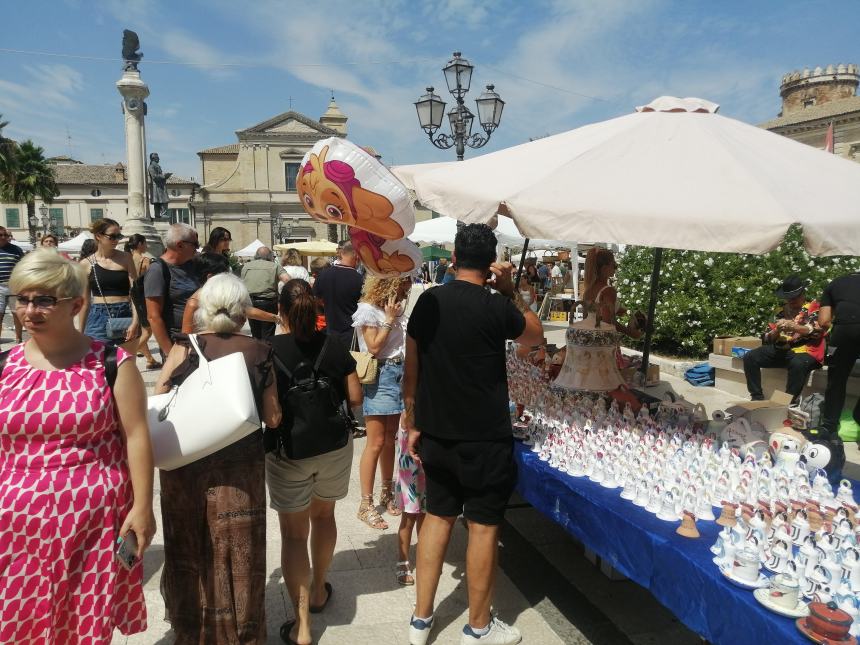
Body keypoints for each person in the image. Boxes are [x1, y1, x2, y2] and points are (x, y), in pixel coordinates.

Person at [0, 250, 156, 642]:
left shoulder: (111, 362)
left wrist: (142, 508)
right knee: (22, 618)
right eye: (22, 299)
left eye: (44, 300)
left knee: (86, 620)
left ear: (76, 303)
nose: (30, 310)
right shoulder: (5, 366)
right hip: (16, 524)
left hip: (92, 520)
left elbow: (136, 436)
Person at [404, 223, 543, 645]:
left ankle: (421, 618)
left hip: (437, 431)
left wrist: (412, 422)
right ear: (490, 263)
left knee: (437, 518)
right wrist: (511, 291)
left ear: (453, 258)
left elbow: (412, 368)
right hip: (484, 435)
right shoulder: (494, 304)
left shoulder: (428, 301)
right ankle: (478, 628)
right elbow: (534, 336)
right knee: (483, 527)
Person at [154, 273, 281, 644]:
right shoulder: (260, 351)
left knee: (189, 544)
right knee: (238, 551)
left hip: (184, 468)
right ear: (244, 310)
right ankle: (241, 630)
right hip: (239, 473)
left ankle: (192, 628)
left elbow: (161, 393)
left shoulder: (186, 344)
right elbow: (273, 418)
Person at [267, 278, 362, 645]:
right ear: (316, 306)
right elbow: (354, 398)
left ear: (280, 310)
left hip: (290, 451)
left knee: (293, 534)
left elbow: (271, 416)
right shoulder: (335, 345)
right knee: (324, 517)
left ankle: (302, 625)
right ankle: (320, 589)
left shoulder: (268, 350)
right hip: (335, 447)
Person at [353, 276, 411, 530]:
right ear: (389, 283)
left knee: (391, 440)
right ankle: (366, 504)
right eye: (404, 283)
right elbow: (374, 347)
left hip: (398, 374)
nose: (408, 287)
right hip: (381, 374)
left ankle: (386, 491)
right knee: (375, 442)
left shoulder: (394, 307)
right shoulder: (368, 310)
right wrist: (388, 320)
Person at [743, 275, 824, 403]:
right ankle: (756, 397)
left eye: (795, 296)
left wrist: (794, 326)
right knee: (750, 357)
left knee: (797, 363)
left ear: (803, 293)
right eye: (788, 297)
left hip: (807, 353)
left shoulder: (814, 307)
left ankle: (787, 403)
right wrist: (777, 331)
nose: (791, 300)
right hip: (783, 351)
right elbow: (766, 338)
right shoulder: (779, 311)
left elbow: (816, 331)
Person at [79, 218, 140, 352]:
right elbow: (85, 302)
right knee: (97, 362)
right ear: (98, 236)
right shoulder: (86, 264)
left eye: (119, 236)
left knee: (126, 363)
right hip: (98, 316)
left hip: (125, 313)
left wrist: (135, 321)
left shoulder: (126, 258)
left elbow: (136, 293)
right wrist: (80, 332)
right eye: (112, 236)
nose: (116, 240)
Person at [182, 252, 280, 334]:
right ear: (210, 277)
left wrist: (276, 318)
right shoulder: (193, 304)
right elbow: (186, 339)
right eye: (226, 274)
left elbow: (248, 311)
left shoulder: (225, 295)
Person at [814, 271, 860, 439]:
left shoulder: (835, 283)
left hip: (844, 331)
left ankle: (829, 428)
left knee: (837, 380)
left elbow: (824, 321)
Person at [144, 223, 200, 357]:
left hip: (198, 338)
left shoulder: (192, 265)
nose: (197, 249)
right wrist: (170, 354)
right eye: (195, 244)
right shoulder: (157, 270)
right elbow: (153, 317)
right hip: (177, 341)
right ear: (180, 245)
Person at [581, 247, 643, 339]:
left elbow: (590, 316)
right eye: (614, 265)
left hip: (589, 338)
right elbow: (608, 322)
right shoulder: (608, 291)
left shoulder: (588, 290)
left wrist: (621, 311)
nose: (616, 268)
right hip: (603, 341)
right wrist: (631, 333)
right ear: (605, 268)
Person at [394, 415, 426, 586]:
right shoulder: (411, 403)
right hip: (411, 462)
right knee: (409, 515)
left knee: (426, 515)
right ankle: (403, 560)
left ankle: (424, 557)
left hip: (430, 458)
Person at [314, 239, 363, 348]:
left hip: (329, 334)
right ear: (356, 255)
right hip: (352, 338)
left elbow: (316, 300)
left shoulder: (323, 275)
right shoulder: (360, 280)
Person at [125, 234, 160, 369]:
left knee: (141, 330)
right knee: (147, 331)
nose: (147, 246)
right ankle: (128, 353)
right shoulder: (145, 261)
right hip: (141, 297)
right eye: (145, 243)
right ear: (139, 244)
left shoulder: (126, 259)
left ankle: (150, 359)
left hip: (128, 296)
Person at [241, 246, 281, 340]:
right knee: (268, 332)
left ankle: (257, 352)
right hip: (268, 302)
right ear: (270, 256)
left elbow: (242, 282)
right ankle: (267, 352)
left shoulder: (246, 266)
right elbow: (287, 279)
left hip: (250, 302)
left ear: (256, 255)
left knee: (255, 332)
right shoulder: (275, 266)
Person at [0, 225, 24, 344]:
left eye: (6, 235)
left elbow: (23, 266)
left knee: (17, 313)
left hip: (14, 286)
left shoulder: (16, 250)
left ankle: (18, 339)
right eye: (1, 235)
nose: (4, 237)